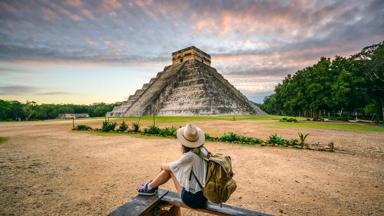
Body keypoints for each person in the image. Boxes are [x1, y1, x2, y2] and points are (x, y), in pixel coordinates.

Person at [137, 123, 208, 209]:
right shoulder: (203, 151)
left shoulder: (190, 156)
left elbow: (171, 167)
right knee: (171, 168)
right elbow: (178, 166)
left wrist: (162, 165)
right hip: (204, 196)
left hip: (193, 200)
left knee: (170, 170)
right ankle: (151, 186)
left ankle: (149, 187)